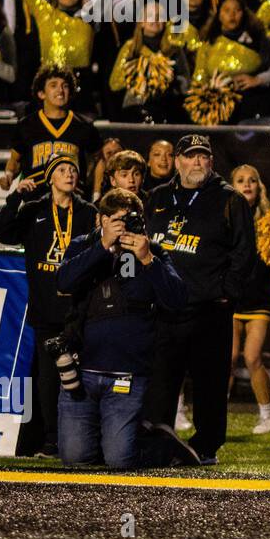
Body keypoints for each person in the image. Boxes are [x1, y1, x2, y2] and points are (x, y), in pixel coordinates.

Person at [54, 188, 192, 469]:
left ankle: (161, 446)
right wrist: (102, 246)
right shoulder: (84, 245)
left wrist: (147, 261)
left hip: (127, 374)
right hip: (82, 371)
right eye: (118, 220)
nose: (125, 227)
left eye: (132, 220)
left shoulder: (152, 252)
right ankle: (129, 436)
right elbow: (63, 282)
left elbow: (177, 300)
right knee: (74, 458)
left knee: (120, 460)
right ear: (101, 220)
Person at [144, 134, 256, 464]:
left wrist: (226, 294)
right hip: (165, 309)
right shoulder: (157, 197)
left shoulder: (229, 200)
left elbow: (245, 253)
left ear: (211, 161)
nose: (196, 162)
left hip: (209, 309)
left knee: (209, 382)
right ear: (177, 161)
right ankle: (158, 440)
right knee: (161, 380)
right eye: (190, 156)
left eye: (202, 156)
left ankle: (206, 447)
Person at [0, 155, 97, 457]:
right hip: (45, 311)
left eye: (73, 171)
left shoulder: (88, 212)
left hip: (79, 310)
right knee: (49, 379)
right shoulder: (35, 210)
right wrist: (15, 197)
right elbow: (3, 233)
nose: (69, 175)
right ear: (50, 178)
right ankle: (51, 440)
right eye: (62, 171)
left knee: (82, 375)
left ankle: (84, 439)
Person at [231, 164, 270, 436]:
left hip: (259, 300)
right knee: (227, 357)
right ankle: (216, 414)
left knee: (252, 357)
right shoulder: (224, 218)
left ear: (259, 187)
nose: (247, 185)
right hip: (230, 298)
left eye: (252, 180)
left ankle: (267, 416)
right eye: (240, 180)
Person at [0, 65, 103, 191]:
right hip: (34, 201)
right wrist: (8, 176)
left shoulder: (84, 126)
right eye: (53, 85)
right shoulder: (26, 125)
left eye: (65, 86)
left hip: (72, 202)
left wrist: (93, 190)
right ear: (41, 93)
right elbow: (15, 161)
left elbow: (99, 160)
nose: (60, 90)